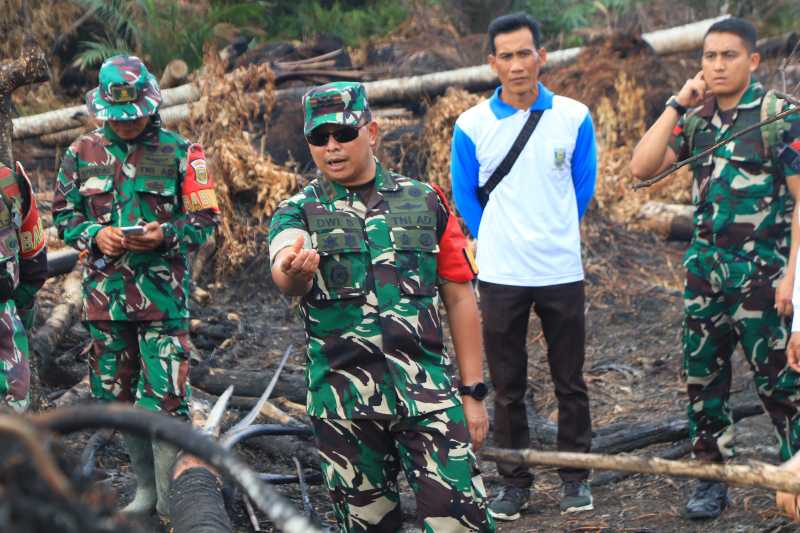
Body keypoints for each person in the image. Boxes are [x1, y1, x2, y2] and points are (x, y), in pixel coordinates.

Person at [269, 81, 495, 532]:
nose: (331, 146)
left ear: (372, 132)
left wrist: (472, 393)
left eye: (343, 133)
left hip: (427, 395)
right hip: (344, 405)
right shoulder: (298, 210)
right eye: (319, 138)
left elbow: (458, 295)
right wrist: (294, 269)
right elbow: (283, 267)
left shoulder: (426, 200)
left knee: (461, 522)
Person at [630, 17, 800, 520]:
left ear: (753, 60)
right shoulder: (698, 120)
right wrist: (677, 103)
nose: (718, 64)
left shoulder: (777, 117)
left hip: (765, 280)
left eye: (729, 55)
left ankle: (796, 474)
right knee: (704, 384)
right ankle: (712, 480)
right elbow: (642, 167)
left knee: (782, 385)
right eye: (709, 56)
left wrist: (793, 277)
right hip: (705, 279)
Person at [53, 54, 220, 517]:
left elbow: (206, 220)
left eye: (134, 116)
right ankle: (146, 491)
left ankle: (172, 501)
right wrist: (94, 235)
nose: (125, 125)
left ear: (150, 104)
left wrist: (165, 234)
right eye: (116, 117)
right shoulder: (79, 154)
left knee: (167, 397)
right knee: (118, 397)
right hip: (106, 301)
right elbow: (65, 216)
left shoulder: (183, 152)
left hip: (164, 301)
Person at [450, 12, 597, 520]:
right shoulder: (471, 124)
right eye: (506, 56)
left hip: (561, 269)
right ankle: (513, 483)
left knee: (570, 380)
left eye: (525, 53)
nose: (517, 65)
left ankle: (576, 478)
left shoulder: (574, 116)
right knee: (508, 384)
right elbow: (466, 196)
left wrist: (551, 230)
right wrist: (501, 236)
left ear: (543, 56)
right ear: (492, 62)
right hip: (501, 274)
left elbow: (581, 189)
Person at [0, 161, 47, 412]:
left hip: (5, 318)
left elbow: (35, 263)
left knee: (13, 405)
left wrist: (20, 309)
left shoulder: (7, 181)